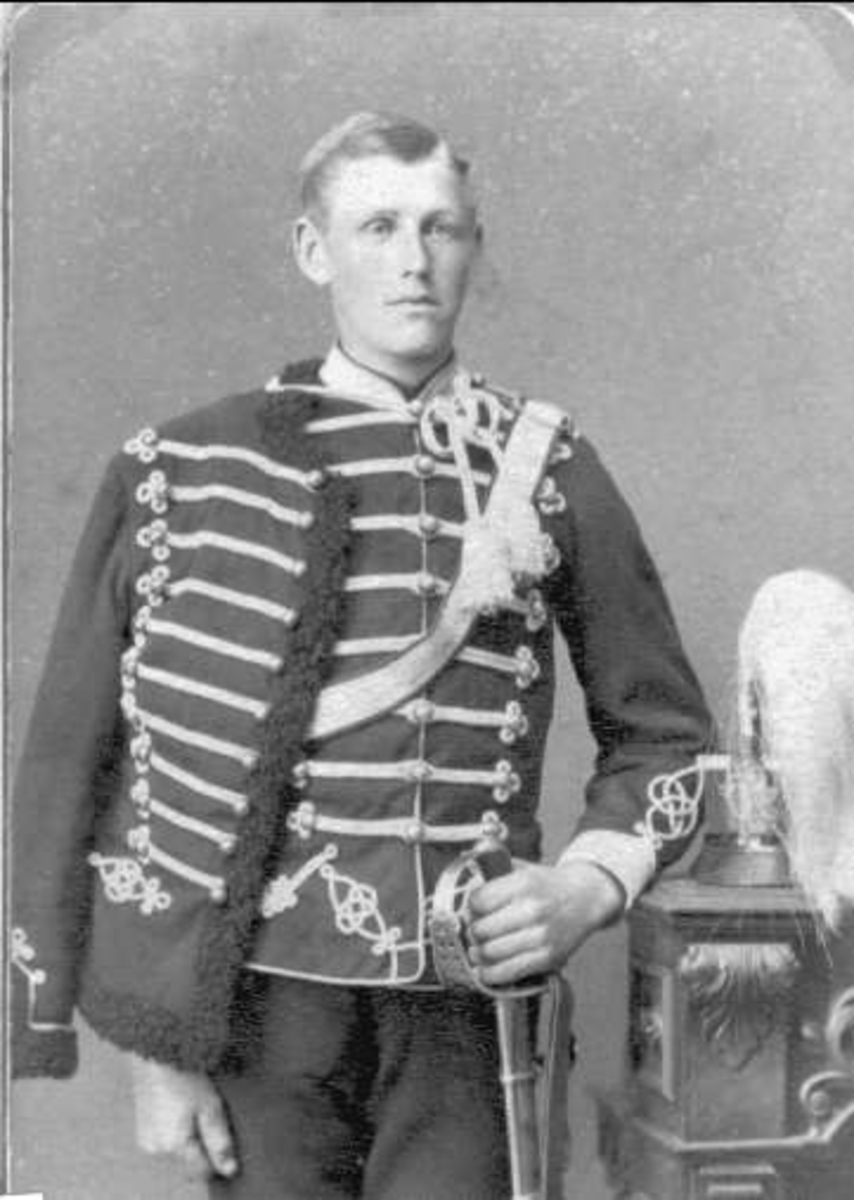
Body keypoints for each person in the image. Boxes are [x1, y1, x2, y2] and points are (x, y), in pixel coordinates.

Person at [11, 111, 713, 1198]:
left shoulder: (547, 465)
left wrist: (585, 887)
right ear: (313, 250)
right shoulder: (181, 468)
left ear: (474, 246)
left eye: (441, 228)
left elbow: (666, 739)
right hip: (252, 1013)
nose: (412, 260)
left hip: (465, 1015)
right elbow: (77, 767)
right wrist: (155, 1047)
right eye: (378, 226)